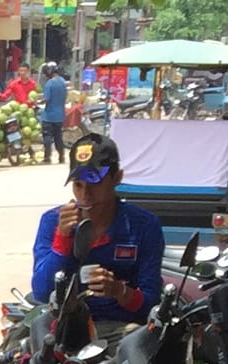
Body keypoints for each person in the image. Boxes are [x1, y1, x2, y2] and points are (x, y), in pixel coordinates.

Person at [30, 133, 165, 325]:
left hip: (121, 328)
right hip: (66, 327)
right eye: (78, 185)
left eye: (95, 184)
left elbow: (151, 303)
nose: (85, 195)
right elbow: (42, 292)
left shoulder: (143, 225)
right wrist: (63, 238)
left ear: (117, 178)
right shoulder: (53, 222)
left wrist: (119, 291)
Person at [38, 64, 69, 163]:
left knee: (47, 136)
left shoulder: (49, 83)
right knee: (58, 137)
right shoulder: (63, 82)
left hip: (49, 115)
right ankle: (61, 156)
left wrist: (38, 102)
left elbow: (46, 99)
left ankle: (47, 157)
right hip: (60, 115)